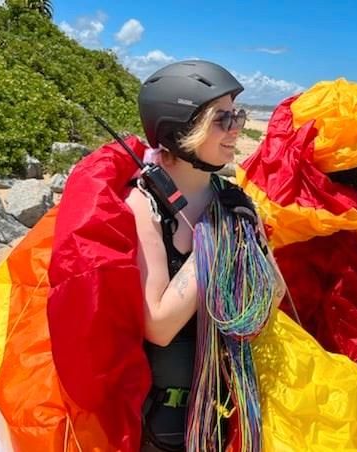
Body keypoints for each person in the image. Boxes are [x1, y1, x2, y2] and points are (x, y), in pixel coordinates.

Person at [127, 60, 285, 451]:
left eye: (237, 116)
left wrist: (247, 234)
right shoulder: (144, 206)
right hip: (169, 421)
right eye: (222, 119)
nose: (236, 129)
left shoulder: (232, 199)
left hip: (229, 404)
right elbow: (158, 326)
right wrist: (215, 237)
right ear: (180, 129)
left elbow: (274, 293)